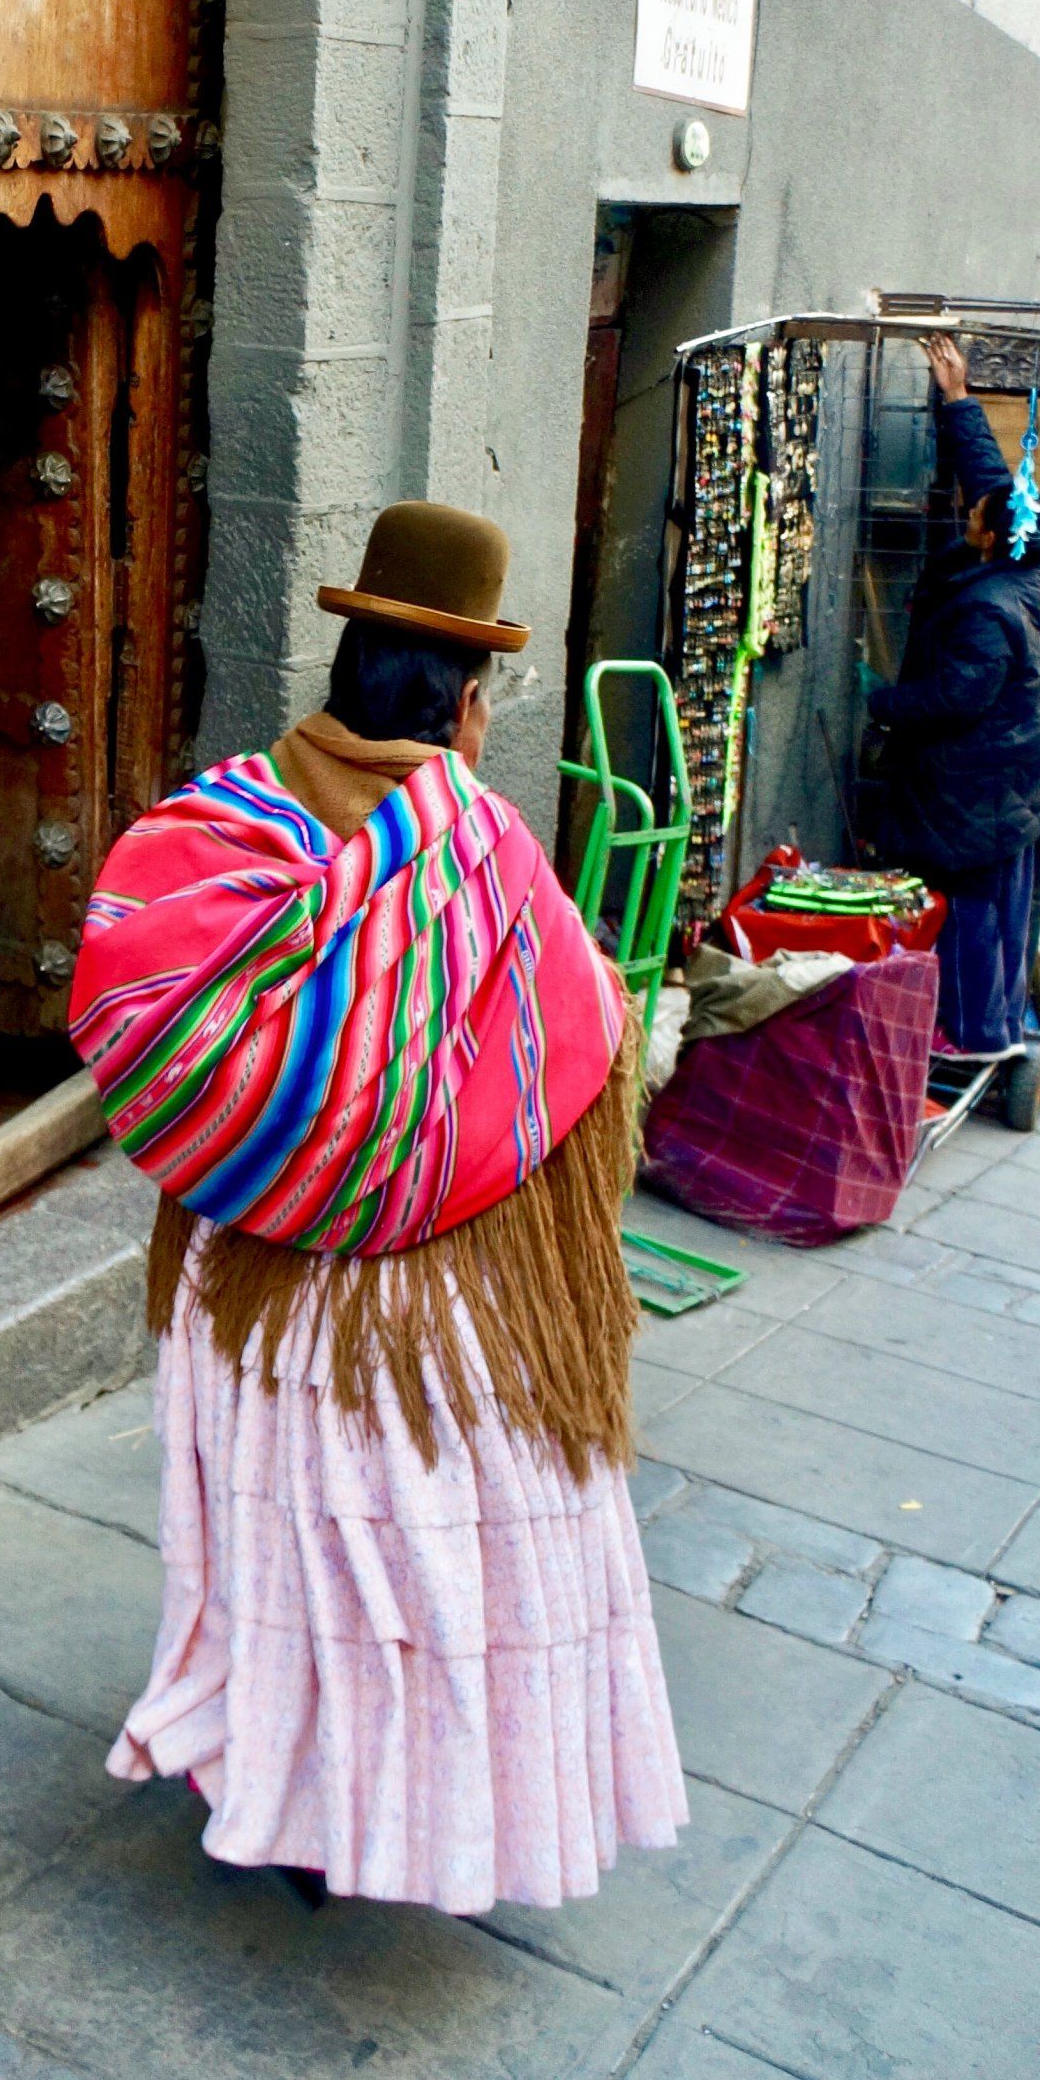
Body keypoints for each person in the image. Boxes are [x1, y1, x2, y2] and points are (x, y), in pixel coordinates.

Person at [69, 504, 685, 1913]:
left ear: (346, 667)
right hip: (429, 1308)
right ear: (466, 702)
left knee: (282, 1547)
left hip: (251, 1285)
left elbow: (133, 991)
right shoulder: (486, 848)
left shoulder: (219, 819)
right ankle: (408, 1813)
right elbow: (576, 1033)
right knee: (421, 1568)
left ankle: (281, 1787)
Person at [867, 334, 1040, 1060]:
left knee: (970, 910)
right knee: (1004, 908)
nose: (970, 511)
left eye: (975, 516)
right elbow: (993, 483)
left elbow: (953, 698)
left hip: (976, 790)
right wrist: (958, 399)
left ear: (986, 540)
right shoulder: (1031, 560)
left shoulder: (988, 610)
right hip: (1014, 780)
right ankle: (996, 1028)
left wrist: (883, 704)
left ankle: (973, 1038)